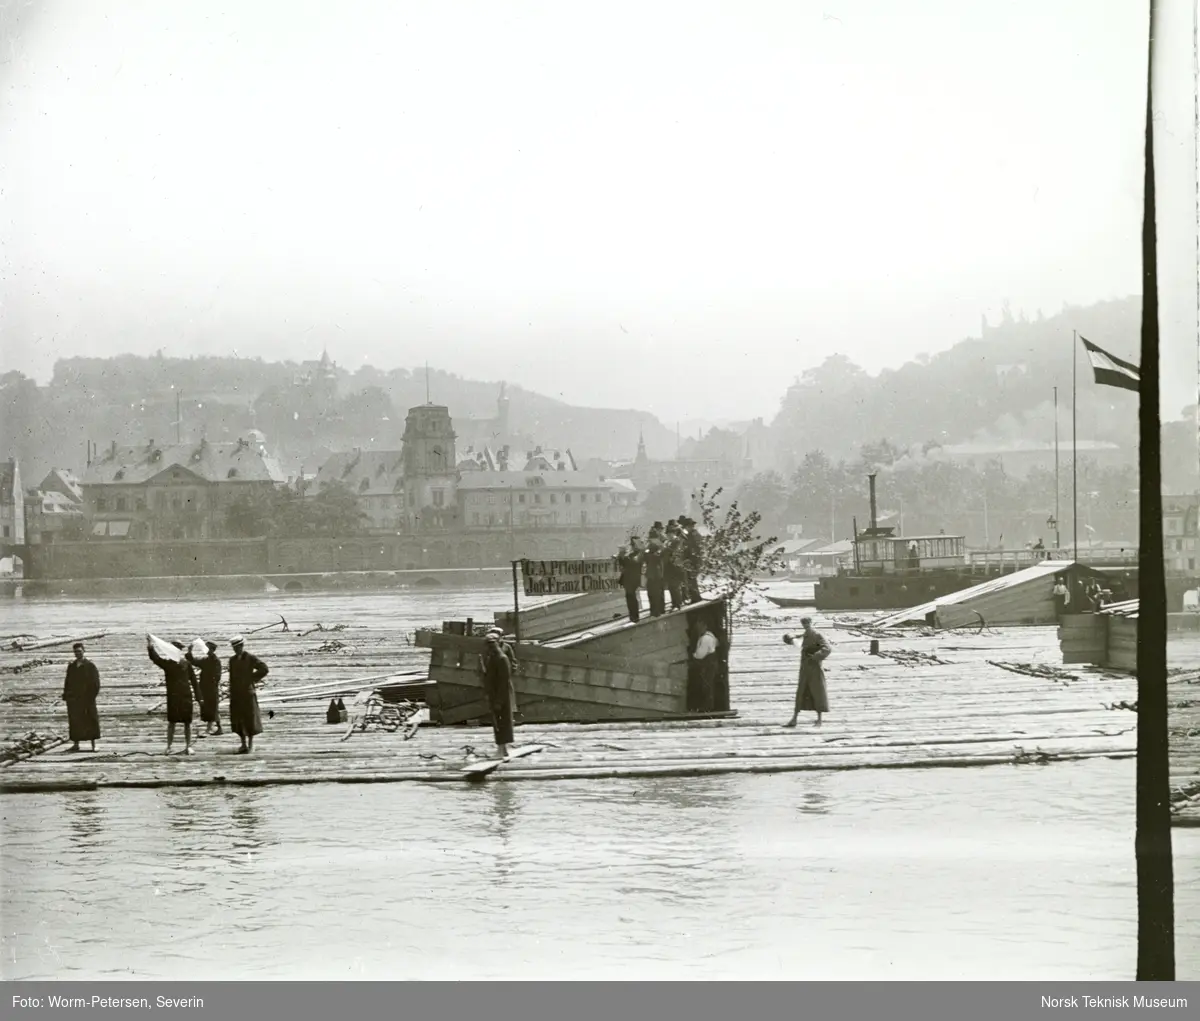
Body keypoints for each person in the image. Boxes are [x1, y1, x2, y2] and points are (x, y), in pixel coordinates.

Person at [147, 637, 196, 755]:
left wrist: (200, 698)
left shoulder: (186, 663)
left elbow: (194, 680)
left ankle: (188, 746)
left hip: (185, 696)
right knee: (172, 722)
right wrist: (150, 645)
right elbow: (155, 658)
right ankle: (169, 746)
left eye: (179, 649)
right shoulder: (168, 663)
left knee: (187, 723)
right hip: (174, 697)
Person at [783, 617, 831, 728]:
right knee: (800, 693)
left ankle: (819, 720)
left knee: (817, 692)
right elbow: (795, 640)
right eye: (803, 623)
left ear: (811, 623)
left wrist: (816, 656)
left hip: (815, 667)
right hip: (804, 668)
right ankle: (794, 719)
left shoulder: (817, 635)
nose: (805, 625)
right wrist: (789, 638)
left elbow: (827, 648)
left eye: (807, 623)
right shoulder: (804, 635)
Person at [228, 635, 268, 754]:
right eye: (234, 648)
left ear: (242, 646)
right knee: (238, 719)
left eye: (238, 647)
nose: (236, 649)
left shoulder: (250, 658)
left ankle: (250, 744)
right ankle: (243, 743)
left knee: (249, 718)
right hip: (236, 693)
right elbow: (231, 677)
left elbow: (264, 669)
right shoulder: (232, 660)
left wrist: (252, 678)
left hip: (247, 692)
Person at [480, 631, 516, 759]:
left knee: (502, 723)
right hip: (495, 694)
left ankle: (501, 751)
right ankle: (503, 749)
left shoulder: (501, 659)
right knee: (499, 722)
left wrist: (499, 701)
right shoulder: (494, 658)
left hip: (501, 696)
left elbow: (504, 682)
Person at [62, 642, 101, 753]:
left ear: (84, 651)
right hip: (74, 699)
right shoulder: (72, 666)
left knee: (91, 720)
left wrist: (91, 697)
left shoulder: (90, 666)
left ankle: (94, 745)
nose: (77, 653)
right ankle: (76, 744)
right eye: (75, 652)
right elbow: (67, 681)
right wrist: (66, 695)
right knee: (75, 721)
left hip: (87, 698)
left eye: (79, 651)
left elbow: (96, 684)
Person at [188, 639, 223, 736]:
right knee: (212, 708)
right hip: (206, 687)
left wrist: (212, 684)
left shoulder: (215, 661)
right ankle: (218, 728)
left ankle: (209, 729)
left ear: (212, 650)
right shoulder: (207, 660)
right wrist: (189, 651)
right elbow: (193, 661)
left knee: (212, 708)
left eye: (208, 648)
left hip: (211, 688)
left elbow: (217, 676)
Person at [691, 622, 720, 712]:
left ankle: (706, 707)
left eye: (699, 627)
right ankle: (708, 707)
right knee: (708, 685)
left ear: (704, 626)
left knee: (706, 685)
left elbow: (700, 655)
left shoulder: (705, 638)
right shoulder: (710, 636)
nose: (698, 629)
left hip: (708, 665)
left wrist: (693, 655)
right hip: (711, 664)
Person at [618, 536, 645, 623]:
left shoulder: (640, 553)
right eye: (632, 545)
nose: (633, 547)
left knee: (632, 597)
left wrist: (624, 556)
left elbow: (634, 562)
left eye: (634, 545)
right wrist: (620, 556)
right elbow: (623, 563)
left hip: (634, 578)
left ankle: (635, 616)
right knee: (629, 597)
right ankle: (632, 616)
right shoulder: (631, 554)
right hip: (627, 578)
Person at [663, 520, 687, 611]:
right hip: (668, 567)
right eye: (667, 534)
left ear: (673, 533)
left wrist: (665, 549)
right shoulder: (668, 542)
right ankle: (674, 603)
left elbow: (673, 552)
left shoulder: (677, 541)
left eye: (669, 534)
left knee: (675, 586)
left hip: (675, 567)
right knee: (671, 587)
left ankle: (678, 604)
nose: (668, 536)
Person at [644, 522, 667, 617]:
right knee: (655, 592)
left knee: (655, 592)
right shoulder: (652, 546)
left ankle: (656, 610)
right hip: (653, 572)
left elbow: (657, 557)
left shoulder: (658, 546)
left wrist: (648, 554)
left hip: (656, 572)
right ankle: (657, 610)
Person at [679, 517, 704, 603]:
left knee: (692, 579)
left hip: (693, 560)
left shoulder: (693, 535)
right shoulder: (689, 534)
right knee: (689, 579)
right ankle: (694, 596)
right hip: (690, 559)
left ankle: (695, 597)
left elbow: (694, 548)